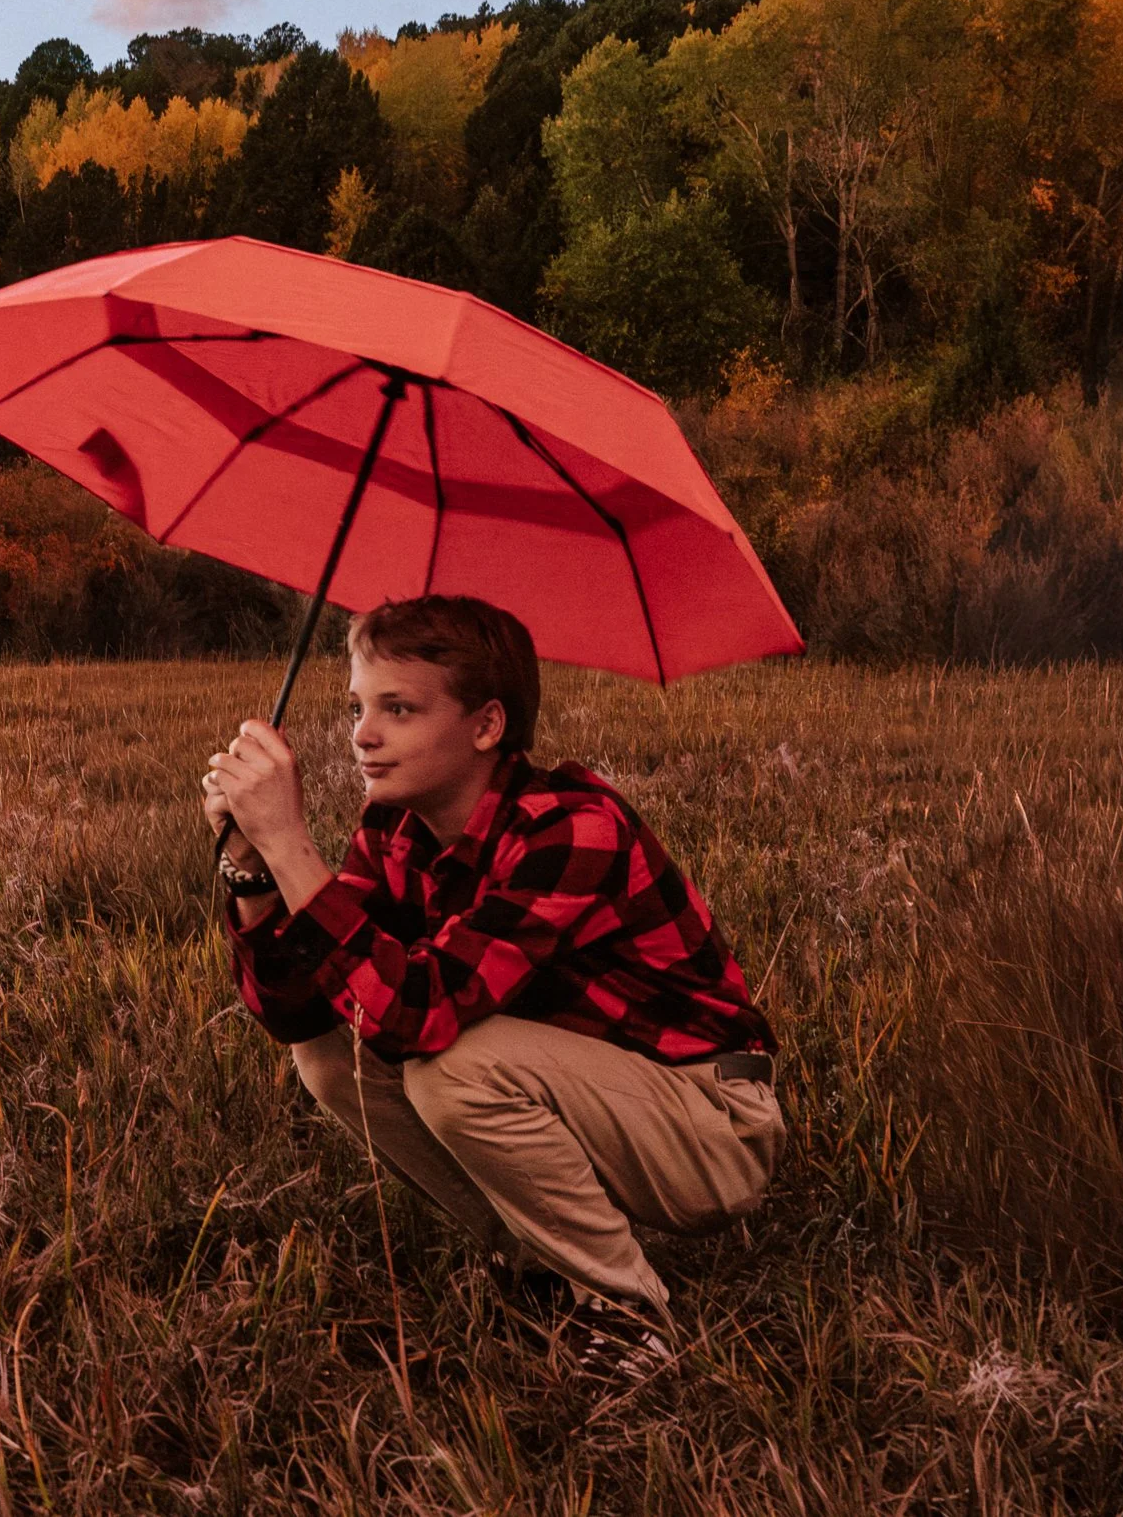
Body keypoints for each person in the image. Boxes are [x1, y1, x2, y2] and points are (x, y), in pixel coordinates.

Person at [200, 594, 780, 1389]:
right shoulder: (394, 828)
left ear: (487, 725)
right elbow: (301, 1006)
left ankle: (627, 1310)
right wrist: (252, 868)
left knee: (450, 1066)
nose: (362, 734)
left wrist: (291, 842)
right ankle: (541, 1269)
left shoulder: (571, 826)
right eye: (358, 705)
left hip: (708, 1122)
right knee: (327, 1053)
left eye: (398, 709)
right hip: (589, 1091)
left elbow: (417, 1014)